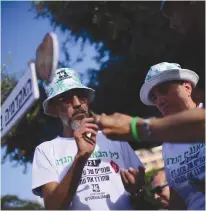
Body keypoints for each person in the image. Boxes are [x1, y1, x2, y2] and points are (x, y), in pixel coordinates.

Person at [32, 67, 145, 210]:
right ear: (53, 110)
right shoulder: (45, 151)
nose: (77, 104)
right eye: (66, 99)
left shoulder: (115, 137)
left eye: (81, 96)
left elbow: (141, 197)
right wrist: (80, 157)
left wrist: (136, 190)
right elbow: (53, 207)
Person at [99, 62, 205, 209]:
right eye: (154, 98)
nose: (159, 100)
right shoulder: (168, 146)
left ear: (187, 87)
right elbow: (178, 200)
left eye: (164, 90)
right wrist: (138, 193)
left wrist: (138, 128)